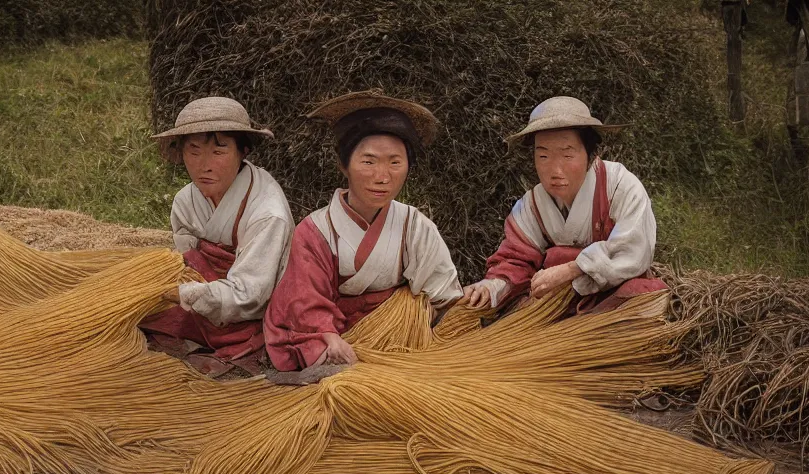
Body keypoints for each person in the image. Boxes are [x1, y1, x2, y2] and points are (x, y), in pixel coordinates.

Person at [264, 90, 462, 372]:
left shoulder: (415, 226)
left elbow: (443, 294)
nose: (382, 177)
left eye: (395, 163)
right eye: (368, 162)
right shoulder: (315, 230)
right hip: (329, 334)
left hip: (395, 335)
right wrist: (330, 337)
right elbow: (306, 302)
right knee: (327, 363)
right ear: (343, 165)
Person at [461, 96, 665, 314]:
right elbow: (514, 262)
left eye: (567, 155)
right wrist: (489, 287)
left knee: (640, 297)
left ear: (590, 154)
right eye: (543, 155)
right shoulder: (531, 206)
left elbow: (632, 249)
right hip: (554, 305)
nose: (555, 170)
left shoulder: (619, 187)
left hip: (612, 297)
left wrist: (571, 269)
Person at [139, 97, 293, 375]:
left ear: (243, 151)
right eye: (194, 151)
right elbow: (186, 264)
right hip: (205, 295)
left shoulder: (268, 213)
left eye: (218, 151)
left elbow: (251, 295)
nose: (204, 166)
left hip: (254, 308)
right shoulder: (186, 202)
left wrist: (184, 294)